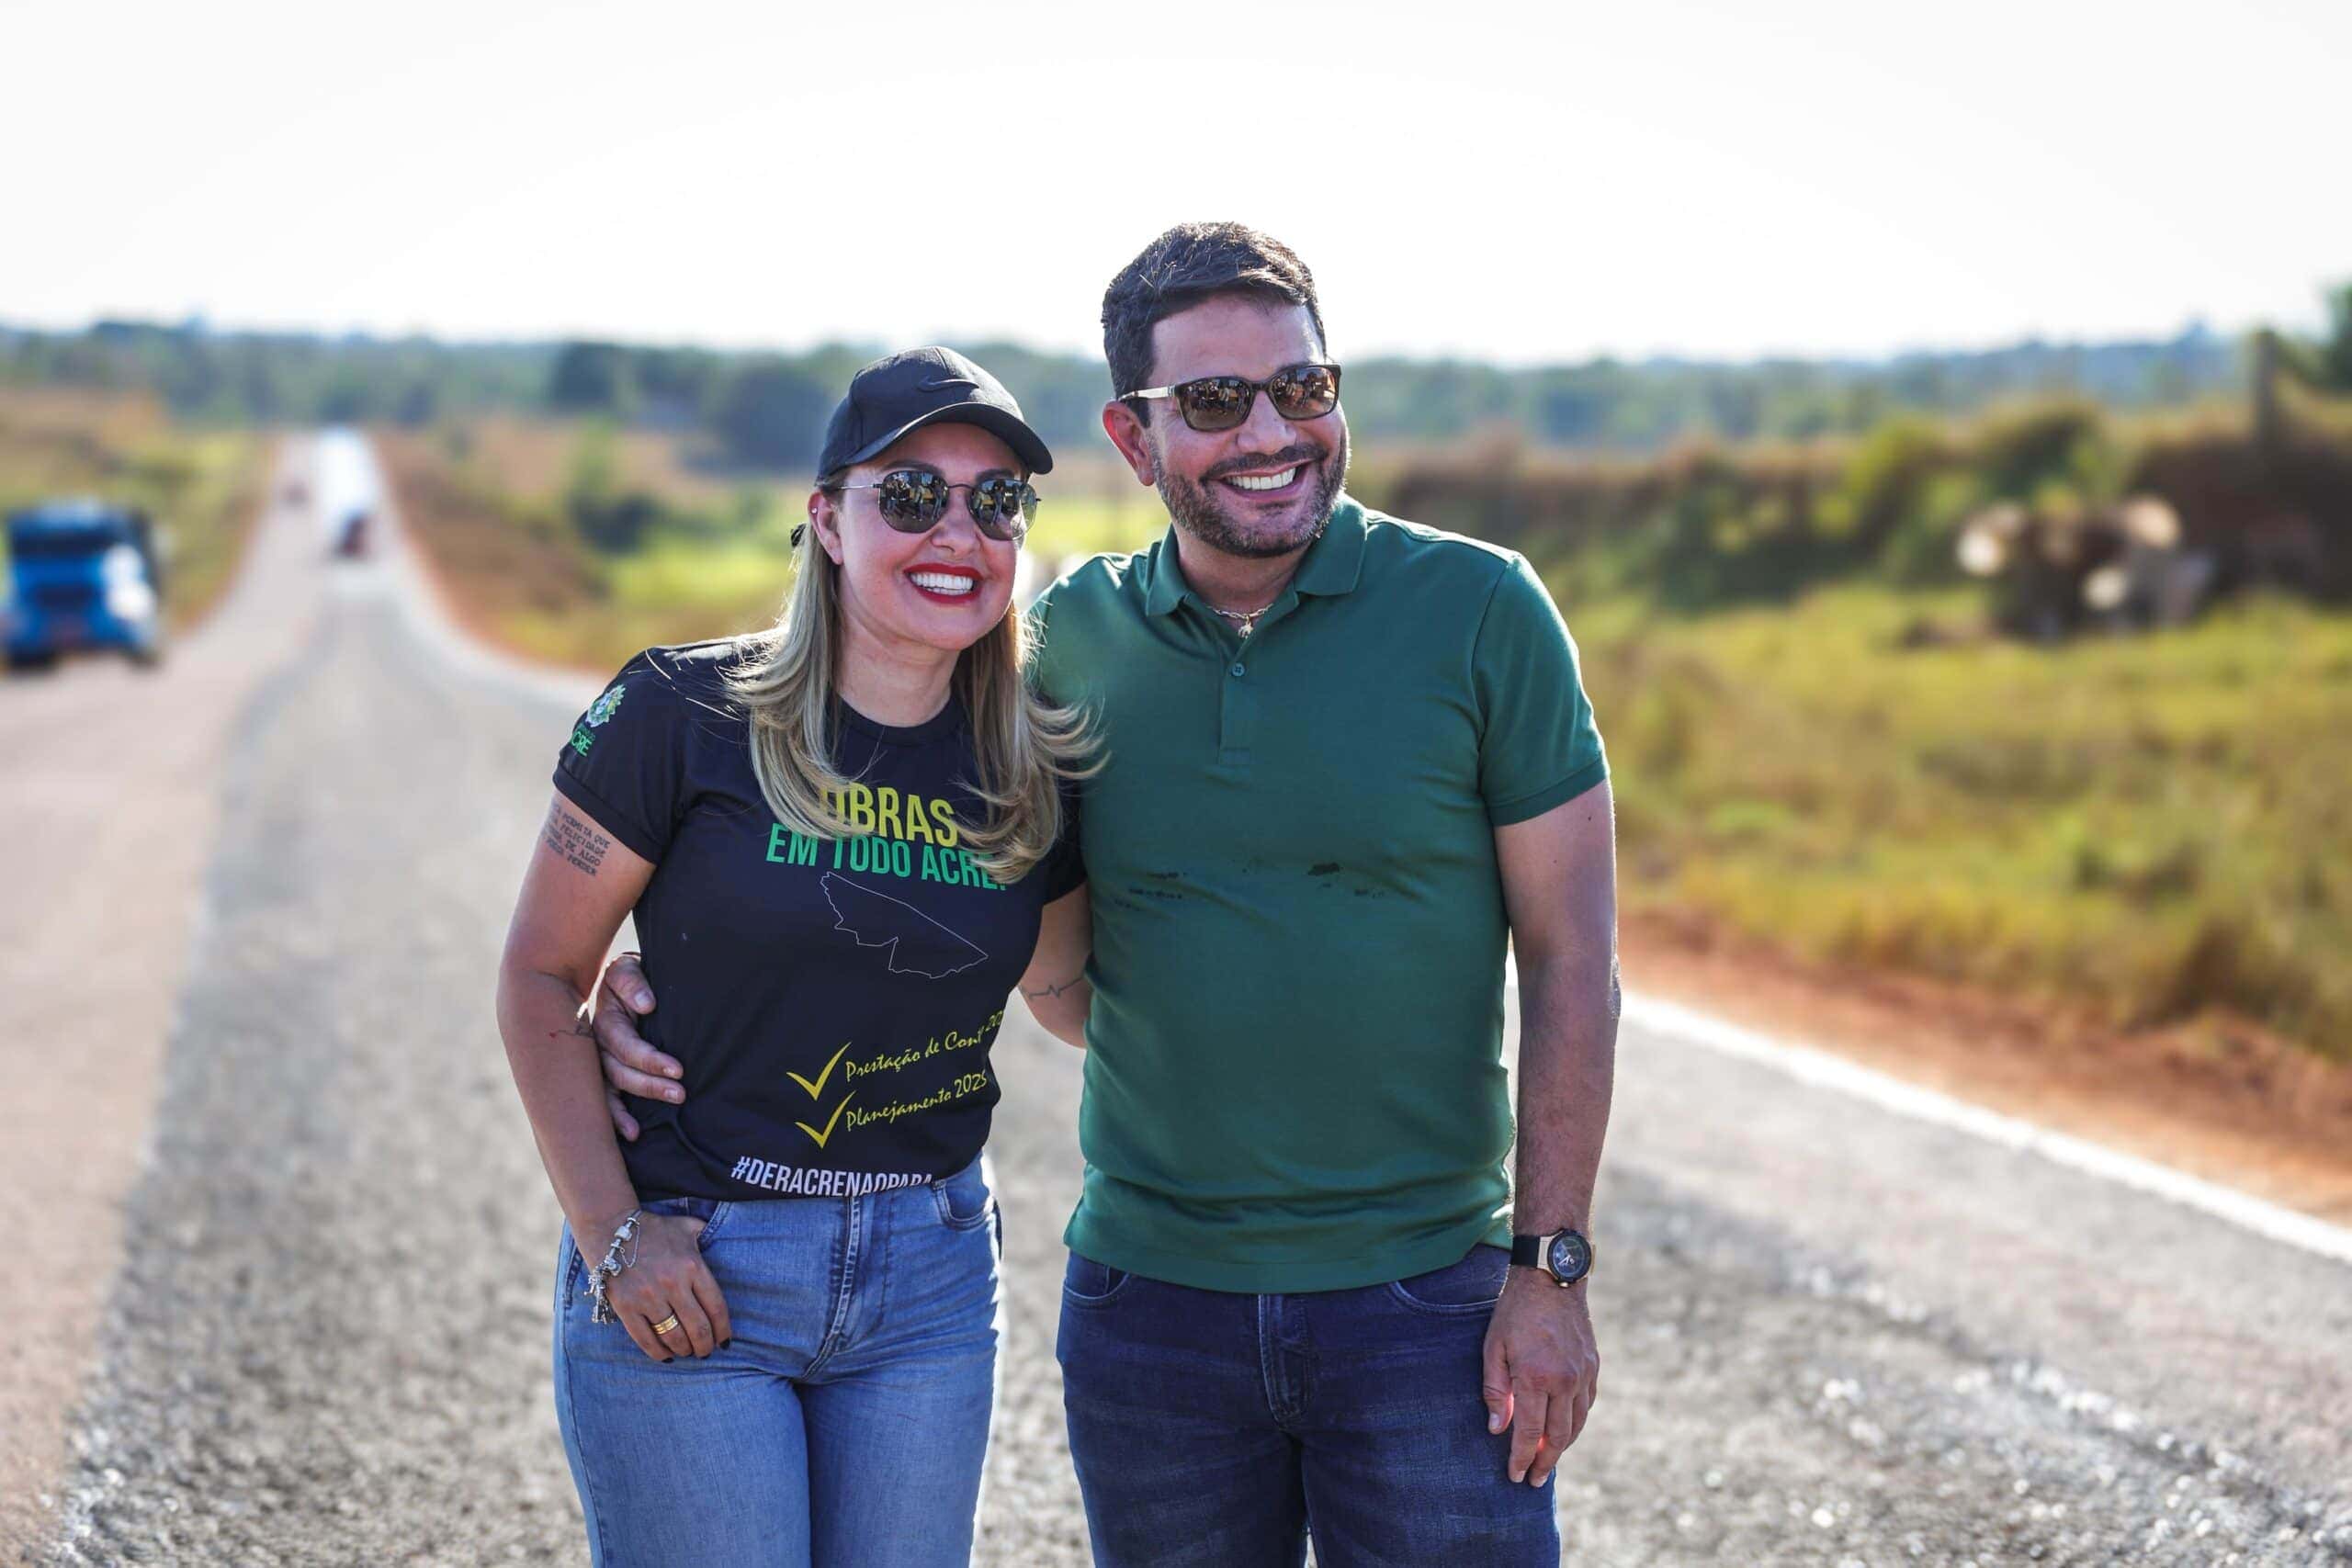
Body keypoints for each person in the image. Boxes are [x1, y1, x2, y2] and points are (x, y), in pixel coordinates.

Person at [596, 223, 1618, 1566]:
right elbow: (933, 856)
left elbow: (1573, 958)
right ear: (1135, 440)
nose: (1271, 432)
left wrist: (1549, 1268)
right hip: (1153, 1313)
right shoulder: (1064, 645)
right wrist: (674, 981)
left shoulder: (1484, 612)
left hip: (1429, 1301)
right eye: (1216, 400)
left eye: (1303, 387)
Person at [493, 345, 1094, 1568]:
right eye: (911, 495)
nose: (959, 534)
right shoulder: (682, 714)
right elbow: (541, 975)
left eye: (996, 502)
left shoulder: (1033, 765)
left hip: (927, 1277)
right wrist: (615, 1233)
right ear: (827, 521)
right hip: (701, 1255)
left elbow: (1074, 996)